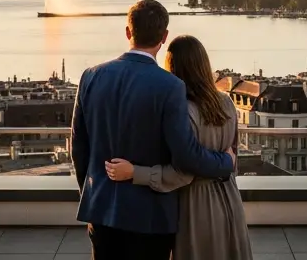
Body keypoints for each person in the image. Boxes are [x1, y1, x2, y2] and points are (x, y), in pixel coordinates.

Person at [71, 0, 235, 260]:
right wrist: (225, 162)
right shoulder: (170, 86)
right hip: (151, 218)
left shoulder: (90, 76)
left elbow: (78, 149)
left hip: (102, 211)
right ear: (164, 37)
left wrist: (94, 194)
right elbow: (186, 155)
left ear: (128, 32)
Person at [104, 34, 253, 260]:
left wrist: (135, 172)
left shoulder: (181, 110)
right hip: (229, 200)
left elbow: (182, 173)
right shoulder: (226, 103)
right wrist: (225, 163)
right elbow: (232, 156)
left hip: (195, 206)